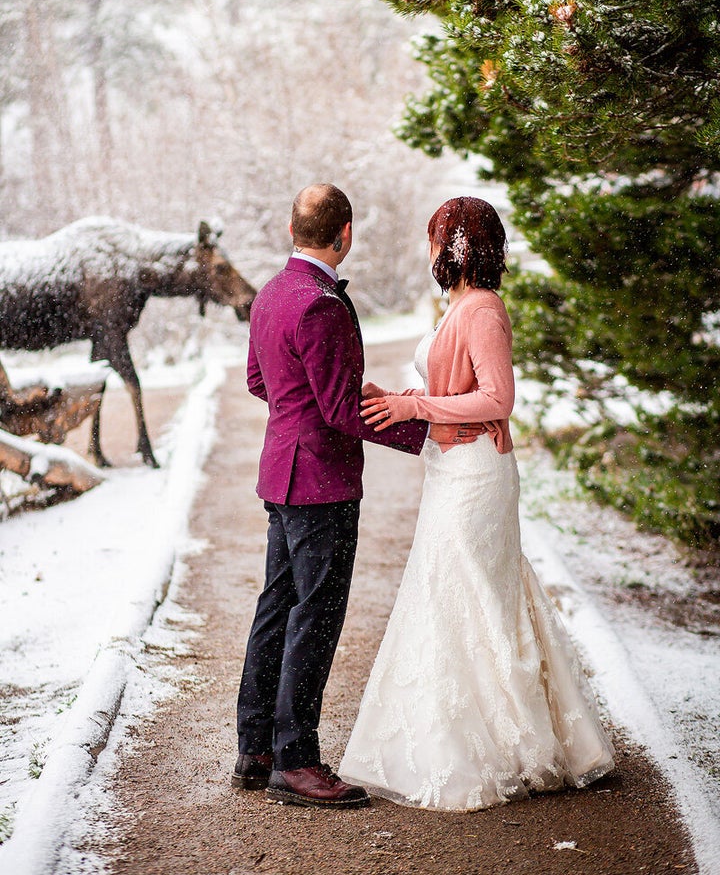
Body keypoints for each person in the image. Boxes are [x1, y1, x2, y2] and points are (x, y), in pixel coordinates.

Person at [339, 196, 615, 811]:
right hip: (449, 467)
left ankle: (511, 745)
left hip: (477, 477)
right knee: (448, 593)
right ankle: (457, 737)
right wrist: (405, 397)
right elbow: (453, 389)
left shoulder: (484, 309)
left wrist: (417, 407)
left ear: (458, 246)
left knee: (477, 595)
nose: (430, 252)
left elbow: (498, 399)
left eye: (435, 240)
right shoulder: (458, 306)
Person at [232, 183, 430, 809]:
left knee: (276, 609)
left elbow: (258, 379)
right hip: (321, 483)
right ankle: (295, 760)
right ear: (345, 233)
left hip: (283, 476)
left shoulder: (271, 293)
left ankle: (255, 747)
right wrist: (424, 433)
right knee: (314, 617)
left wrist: (304, 408)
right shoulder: (321, 305)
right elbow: (342, 408)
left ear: (294, 230)